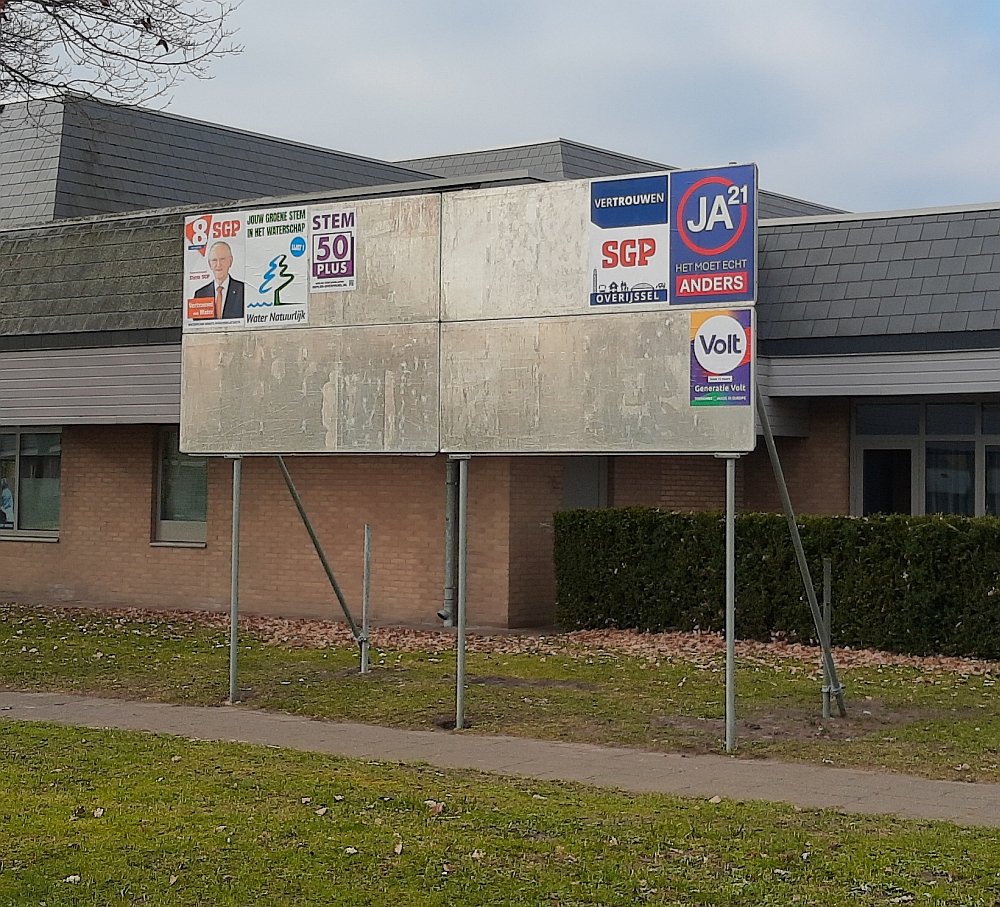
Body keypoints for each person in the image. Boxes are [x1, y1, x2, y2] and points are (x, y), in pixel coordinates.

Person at [193, 240, 245, 319]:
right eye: (214, 260)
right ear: (209, 264)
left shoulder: (243, 290)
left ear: (230, 261)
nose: (218, 264)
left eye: (222, 259)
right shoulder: (200, 294)